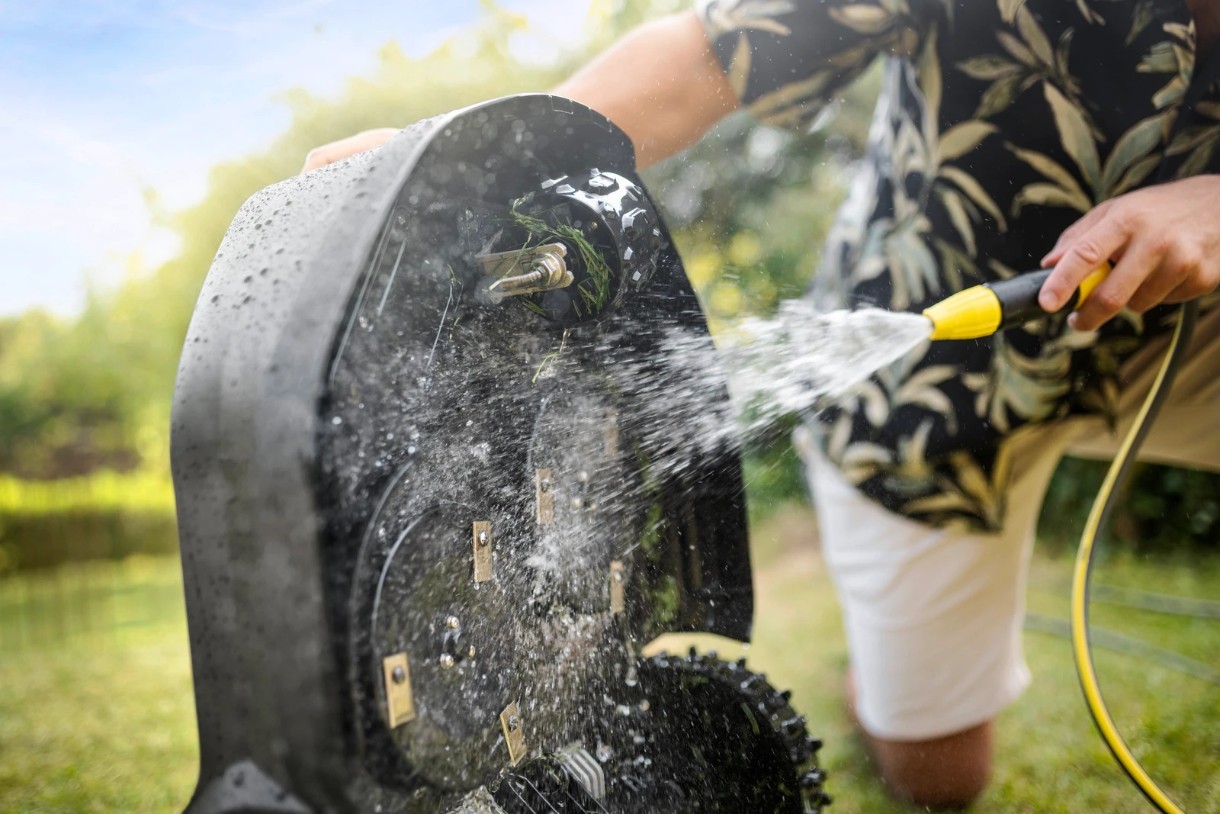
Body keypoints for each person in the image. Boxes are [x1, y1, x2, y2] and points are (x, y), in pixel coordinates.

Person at [304, 1, 1220, 806]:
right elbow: (713, 52)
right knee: (940, 779)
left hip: (1188, 342)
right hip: (930, 397)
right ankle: (882, 683)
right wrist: (454, 177)